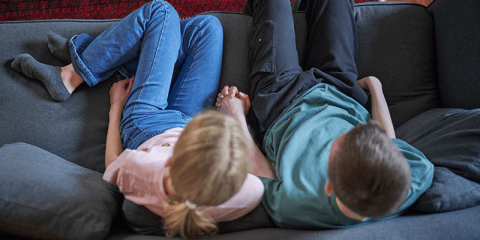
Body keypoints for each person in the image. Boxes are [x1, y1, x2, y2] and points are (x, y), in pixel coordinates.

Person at [11, 1, 264, 238]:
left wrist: (116, 108)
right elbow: (270, 182)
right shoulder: (242, 193)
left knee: (161, 11)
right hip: (186, 120)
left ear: (177, 155)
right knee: (207, 28)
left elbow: (113, 165)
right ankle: (101, 54)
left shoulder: (148, 171)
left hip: (146, 126)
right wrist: (237, 117)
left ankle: (71, 75)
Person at [216, 0, 434, 229]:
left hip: (282, 102)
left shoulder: (299, 206)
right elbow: (390, 144)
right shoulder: (415, 176)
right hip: (341, 91)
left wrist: (235, 116)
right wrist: (375, 86)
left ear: (329, 188)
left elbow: (262, 176)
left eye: (335, 145)